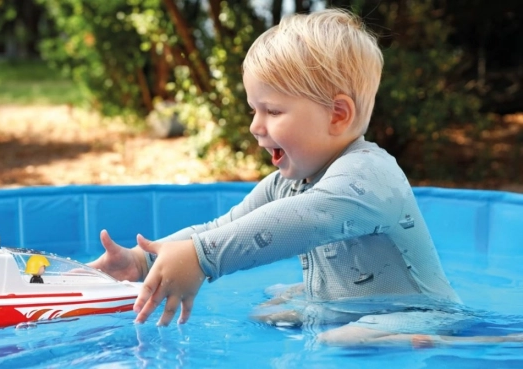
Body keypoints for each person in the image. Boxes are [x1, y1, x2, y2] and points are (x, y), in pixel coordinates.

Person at [88, 8, 523, 348]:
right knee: (270, 312)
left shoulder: (368, 175)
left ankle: (487, 340)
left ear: (337, 115)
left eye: (273, 111)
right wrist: (148, 260)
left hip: (421, 313)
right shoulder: (288, 180)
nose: (256, 127)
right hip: (357, 307)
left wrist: (202, 259)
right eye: (253, 110)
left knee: (341, 340)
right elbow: (224, 228)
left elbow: (305, 220)